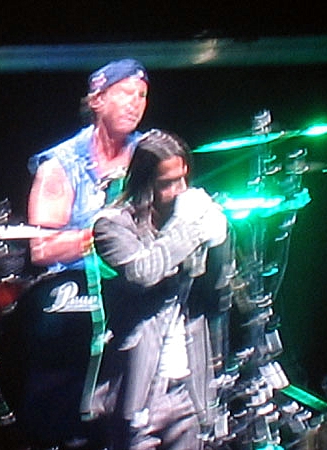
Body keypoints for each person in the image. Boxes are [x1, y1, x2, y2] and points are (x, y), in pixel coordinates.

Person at [0, 58, 150, 449]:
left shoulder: (150, 156)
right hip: (75, 294)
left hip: (139, 284)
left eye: (142, 95)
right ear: (97, 100)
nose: (135, 103)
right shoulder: (60, 165)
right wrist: (104, 238)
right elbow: (43, 247)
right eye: (125, 94)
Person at [90, 129, 233, 450]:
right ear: (144, 184)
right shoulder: (112, 225)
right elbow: (142, 273)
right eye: (167, 184)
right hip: (139, 392)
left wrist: (220, 243)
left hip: (186, 389)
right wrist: (187, 229)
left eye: (182, 180)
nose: (179, 192)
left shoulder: (189, 224)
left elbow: (217, 298)